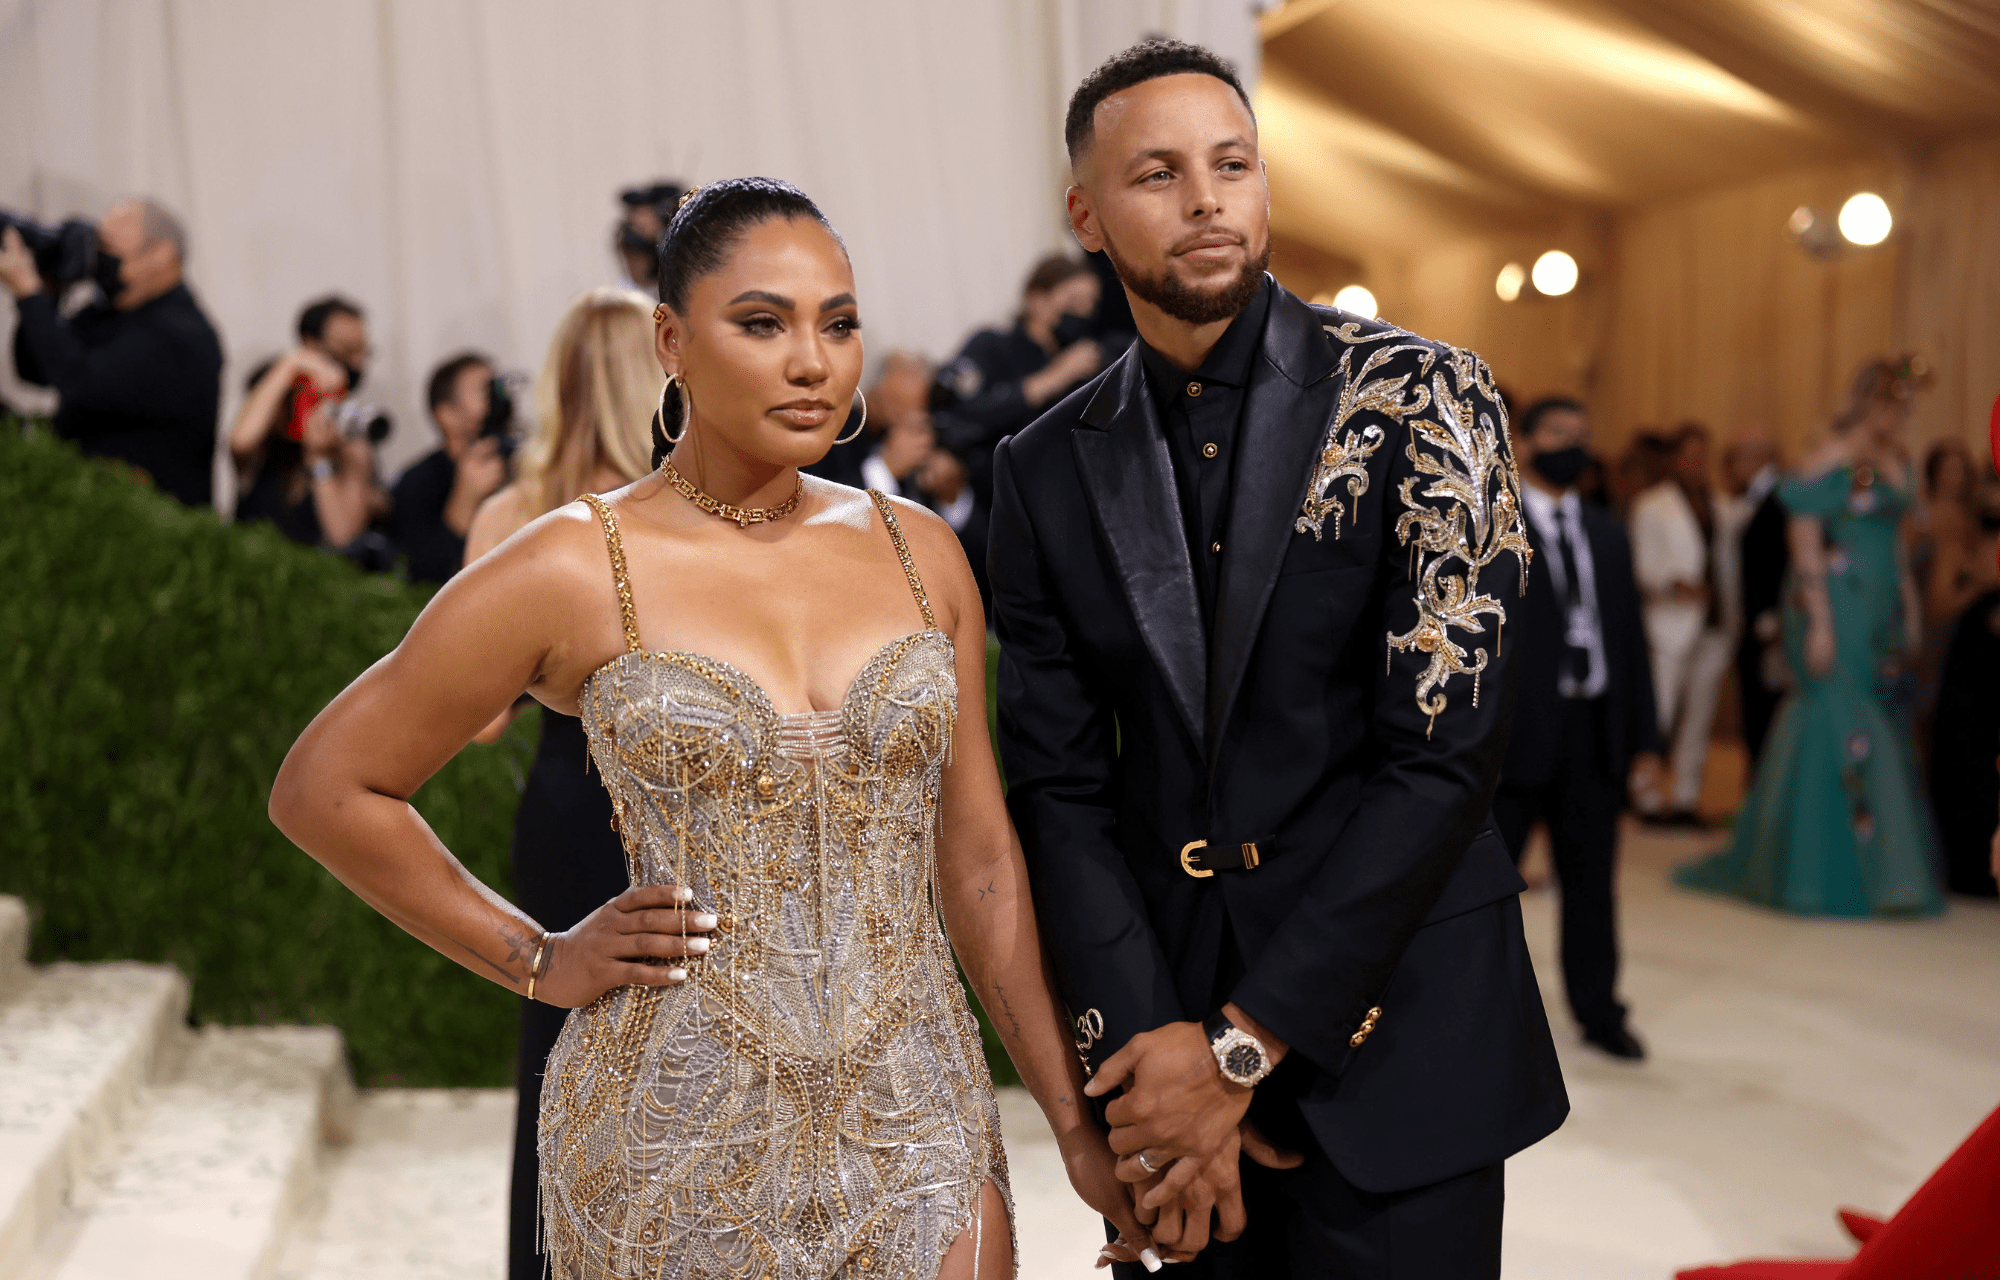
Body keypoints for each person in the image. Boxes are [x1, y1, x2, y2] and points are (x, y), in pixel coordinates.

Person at [269, 177, 1151, 1280]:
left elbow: (977, 863)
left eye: (837, 323)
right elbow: (328, 786)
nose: (811, 361)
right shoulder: (573, 563)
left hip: (918, 1120)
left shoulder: (919, 551)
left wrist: (1071, 1124)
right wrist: (540, 957)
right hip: (671, 1134)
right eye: (762, 322)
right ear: (671, 341)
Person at [990, 39, 1566, 1275]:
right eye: (1156, 173)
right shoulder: (1041, 468)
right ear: (1084, 214)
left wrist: (1240, 1049)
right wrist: (1150, 1057)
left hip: (1399, 1032)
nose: (1205, 199)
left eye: (1231, 163)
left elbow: (1445, 757)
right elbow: (1060, 787)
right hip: (1166, 1057)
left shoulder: (1429, 396)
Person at [457, 286, 660, 1280]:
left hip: (560, 805)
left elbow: (477, 712)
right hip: (671, 805)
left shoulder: (509, 510)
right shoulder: (679, 506)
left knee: (555, 1052)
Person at [1675, 358, 1944, 917]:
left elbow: (1894, 540)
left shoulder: (1898, 459)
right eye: (1896, 407)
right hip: (1835, 601)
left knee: (1871, 714)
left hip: (1878, 605)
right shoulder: (1835, 452)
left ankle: (1869, 866)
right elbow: (1801, 530)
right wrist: (1819, 618)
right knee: (1836, 713)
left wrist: (1910, 605)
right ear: (1872, 401)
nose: (1902, 418)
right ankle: (1815, 869)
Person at [1493, 397, 1663, 1061]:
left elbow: (1629, 640)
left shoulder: (1606, 531)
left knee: (1592, 885)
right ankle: (1477, 1015)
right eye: (1560, 433)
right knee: (1488, 886)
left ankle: (1599, 1010)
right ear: (1526, 443)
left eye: (1584, 435)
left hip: (1592, 735)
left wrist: (1645, 740)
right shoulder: (1494, 525)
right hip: (1515, 740)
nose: (1575, 445)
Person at [0, 198, 222, 507]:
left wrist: (28, 290)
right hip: (91, 504)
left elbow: (79, 383)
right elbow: (34, 369)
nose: (99, 257)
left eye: (109, 246)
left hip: (150, 523)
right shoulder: (108, 312)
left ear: (161, 253)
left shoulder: (181, 334)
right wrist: (49, 291)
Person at [935, 252, 1104, 505]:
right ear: (1036, 300)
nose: (1083, 313)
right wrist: (1052, 379)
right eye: (1074, 301)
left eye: (1090, 304)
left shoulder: (1086, 360)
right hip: (993, 499)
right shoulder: (991, 345)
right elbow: (954, 409)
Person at [1629, 423, 1731, 824]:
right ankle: (1646, 795)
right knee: (1660, 713)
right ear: (1674, 459)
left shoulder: (1718, 504)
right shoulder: (1652, 505)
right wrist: (1672, 583)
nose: (1696, 464)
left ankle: (1687, 796)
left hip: (1713, 624)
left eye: (1702, 456)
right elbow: (1640, 564)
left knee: (1699, 717)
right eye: (1689, 456)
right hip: (1668, 622)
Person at [229, 296, 386, 552]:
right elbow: (241, 441)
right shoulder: (261, 450)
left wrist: (319, 460)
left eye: (363, 351)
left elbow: (344, 537)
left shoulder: (348, 443)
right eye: (346, 350)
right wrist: (292, 364)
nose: (356, 363)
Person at [390, 352, 509, 585]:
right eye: (486, 391)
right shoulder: (416, 483)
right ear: (447, 415)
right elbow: (424, 576)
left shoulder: (522, 461)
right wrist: (465, 500)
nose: (499, 398)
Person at [1723, 432, 1789, 762]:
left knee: (1764, 713)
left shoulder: (1779, 499)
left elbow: (1783, 561)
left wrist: (1772, 615)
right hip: (1752, 624)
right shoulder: (1756, 499)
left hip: (1768, 627)